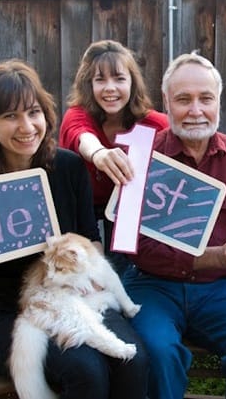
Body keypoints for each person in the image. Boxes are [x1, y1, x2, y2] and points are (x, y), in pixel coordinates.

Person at [0, 59, 149, 399]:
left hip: (75, 296)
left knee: (132, 362)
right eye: (10, 116)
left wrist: (87, 284)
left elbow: (91, 244)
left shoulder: (69, 167)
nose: (26, 126)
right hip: (9, 314)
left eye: (33, 112)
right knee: (86, 371)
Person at [121, 52, 226, 399]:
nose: (195, 110)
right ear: (166, 102)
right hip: (152, 286)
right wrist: (209, 257)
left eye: (205, 98)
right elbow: (130, 245)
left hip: (218, 291)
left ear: (218, 102)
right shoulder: (141, 156)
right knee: (158, 353)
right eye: (183, 100)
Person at [59, 39, 169, 274]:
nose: (110, 88)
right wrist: (99, 154)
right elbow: (80, 135)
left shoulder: (155, 124)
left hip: (125, 210)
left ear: (132, 82)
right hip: (80, 206)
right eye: (100, 80)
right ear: (89, 85)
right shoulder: (77, 114)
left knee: (122, 265)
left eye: (119, 79)